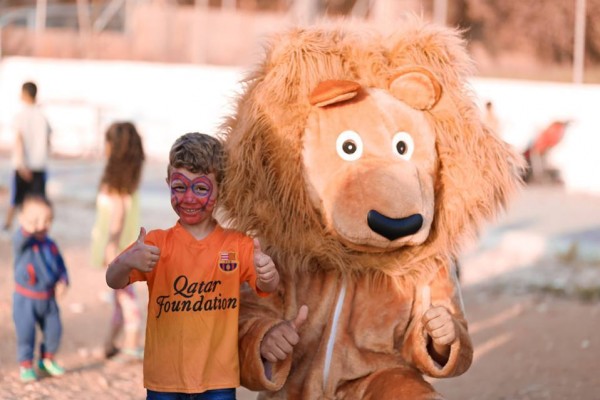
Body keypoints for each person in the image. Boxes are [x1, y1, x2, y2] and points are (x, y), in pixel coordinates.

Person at [105, 132, 280, 400]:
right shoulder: (155, 243)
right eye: (179, 187)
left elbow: (267, 286)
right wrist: (127, 261)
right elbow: (113, 279)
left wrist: (268, 274)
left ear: (221, 188)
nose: (189, 198)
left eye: (200, 188)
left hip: (218, 379)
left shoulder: (238, 245)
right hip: (165, 379)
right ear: (168, 183)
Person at [90, 121, 146, 362]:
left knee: (126, 298)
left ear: (114, 148)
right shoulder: (128, 184)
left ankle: (132, 345)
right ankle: (109, 344)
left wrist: (111, 249)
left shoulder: (115, 186)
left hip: (118, 250)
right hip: (124, 249)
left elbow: (118, 218)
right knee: (119, 299)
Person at [12, 195, 68, 382]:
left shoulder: (51, 245)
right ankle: (26, 364)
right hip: (25, 299)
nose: (42, 225)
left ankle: (47, 360)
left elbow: (60, 266)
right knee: (26, 333)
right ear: (22, 220)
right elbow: (19, 239)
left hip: (48, 298)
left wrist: (63, 281)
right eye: (35, 221)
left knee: (54, 330)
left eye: (47, 220)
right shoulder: (24, 244)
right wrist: (27, 229)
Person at [3, 82, 52, 235]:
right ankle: (38, 229)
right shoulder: (43, 117)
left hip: (23, 166)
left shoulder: (20, 116)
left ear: (24, 94)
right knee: (38, 202)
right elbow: (48, 142)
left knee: (16, 200)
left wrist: (21, 164)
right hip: (39, 165)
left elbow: (19, 140)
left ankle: (8, 227)